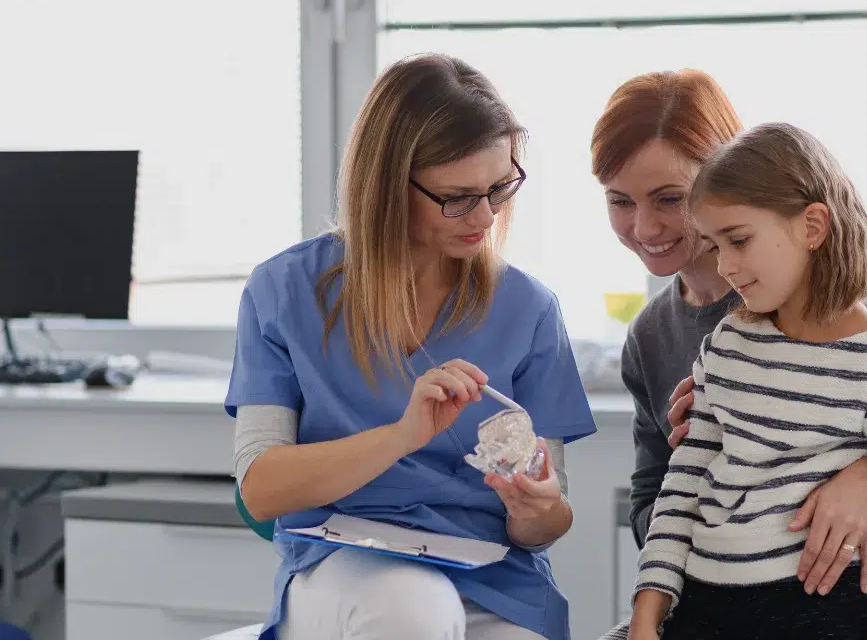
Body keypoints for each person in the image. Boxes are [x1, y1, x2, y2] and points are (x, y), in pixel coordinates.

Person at [226, 53, 598, 640]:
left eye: (499, 188)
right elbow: (261, 487)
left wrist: (537, 507)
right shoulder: (285, 291)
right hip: (347, 566)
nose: (484, 216)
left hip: (492, 575)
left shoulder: (529, 309)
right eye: (457, 196)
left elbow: (548, 524)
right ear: (387, 184)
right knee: (412, 608)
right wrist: (403, 436)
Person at [590, 71, 867, 640]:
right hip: (717, 588)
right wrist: (717, 483)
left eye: (669, 199)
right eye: (619, 201)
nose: (644, 226)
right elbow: (657, 492)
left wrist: (863, 475)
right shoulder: (661, 338)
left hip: (818, 597)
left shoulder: (835, 307)